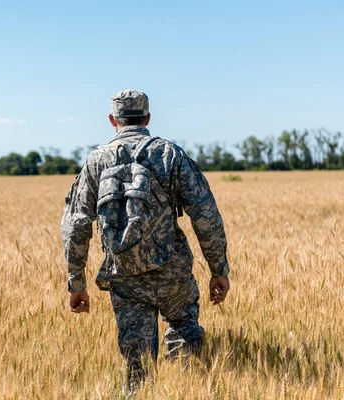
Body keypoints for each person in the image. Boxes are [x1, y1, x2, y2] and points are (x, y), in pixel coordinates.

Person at [61, 89, 230, 392]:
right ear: (148, 118)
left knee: (137, 362)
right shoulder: (169, 154)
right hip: (172, 271)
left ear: (113, 120)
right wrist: (219, 269)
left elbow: (76, 225)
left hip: (124, 276)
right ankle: (188, 392)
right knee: (184, 333)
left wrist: (77, 284)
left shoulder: (97, 160)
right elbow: (206, 215)